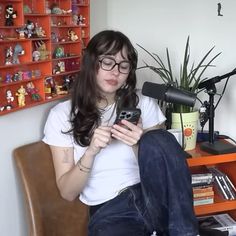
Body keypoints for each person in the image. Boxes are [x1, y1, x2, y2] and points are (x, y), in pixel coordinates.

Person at [43, 30, 199, 235]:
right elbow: (67, 192)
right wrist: (90, 152)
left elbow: (165, 165)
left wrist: (137, 143)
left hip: (154, 196)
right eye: (108, 62)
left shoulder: (143, 103)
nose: (115, 72)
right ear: (91, 63)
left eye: (123, 66)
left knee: (158, 139)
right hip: (111, 210)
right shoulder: (62, 115)